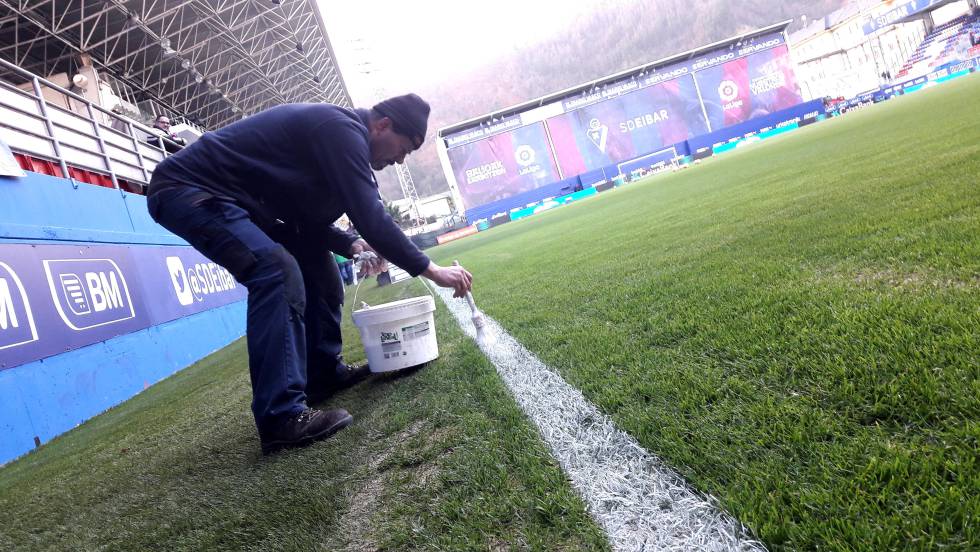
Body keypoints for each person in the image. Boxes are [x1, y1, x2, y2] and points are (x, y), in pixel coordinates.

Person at [146, 94, 473, 455]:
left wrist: (352, 245)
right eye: (404, 149)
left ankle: (323, 373)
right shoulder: (342, 129)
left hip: (246, 205)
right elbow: (370, 214)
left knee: (321, 271)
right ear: (382, 125)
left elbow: (303, 221)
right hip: (188, 189)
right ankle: (279, 417)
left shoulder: (339, 143)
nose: (399, 160)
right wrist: (431, 269)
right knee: (275, 270)